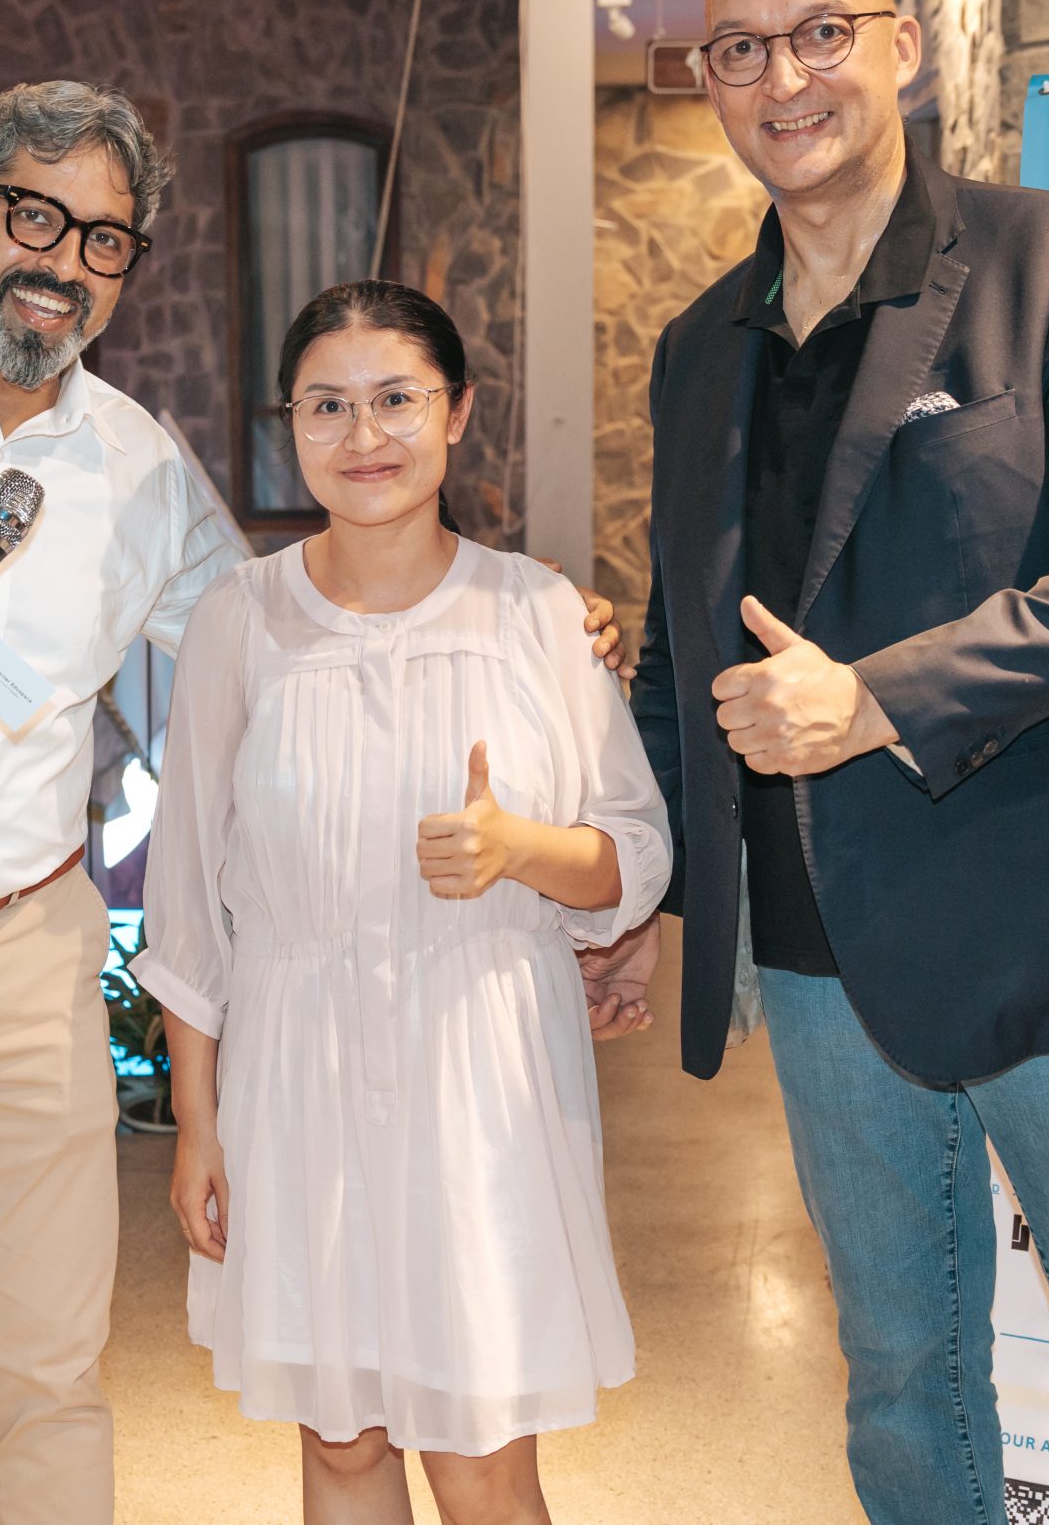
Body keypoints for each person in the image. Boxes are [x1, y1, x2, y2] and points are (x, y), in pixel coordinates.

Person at [0, 82, 634, 1525]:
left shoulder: (134, 461)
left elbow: (289, 630)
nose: (61, 262)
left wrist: (534, 622)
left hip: (26, 960)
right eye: (34, 216)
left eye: (103, 239)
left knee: (53, 1378)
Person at [614, 0, 1049, 1525]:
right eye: (741, 49)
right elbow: (679, 651)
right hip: (822, 960)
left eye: (821, 32)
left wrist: (873, 700)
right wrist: (643, 880)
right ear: (710, 82)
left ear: (901, 47)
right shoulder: (697, 348)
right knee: (906, 1386)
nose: (786, 77)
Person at [136, 281, 669, 1525]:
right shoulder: (238, 622)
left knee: (480, 1456)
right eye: (325, 406)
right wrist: (199, 1124)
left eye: (395, 399)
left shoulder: (538, 613)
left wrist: (518, 848)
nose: (363, 435)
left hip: (482, 1078)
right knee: (340, 1440)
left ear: (457, 412)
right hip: (297, 1077)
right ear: (288, 424)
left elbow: (633, 859)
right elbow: (187, 904)